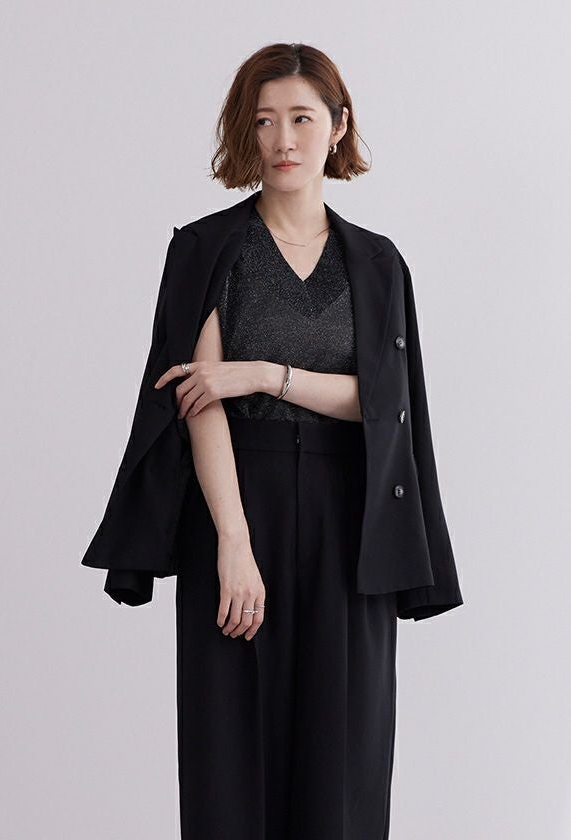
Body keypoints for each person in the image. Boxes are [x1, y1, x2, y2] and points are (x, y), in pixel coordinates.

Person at [82, 41, 463, 840]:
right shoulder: (207, 248)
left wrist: (263, 373)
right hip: (235, 499)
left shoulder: (378, 263)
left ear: (338, 126)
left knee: (342, 767)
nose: (282, 139)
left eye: (300, 118)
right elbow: (197, 398)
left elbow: (383, 403)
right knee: (230, 759)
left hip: (349, 517)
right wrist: (232, 540)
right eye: (263, 121)